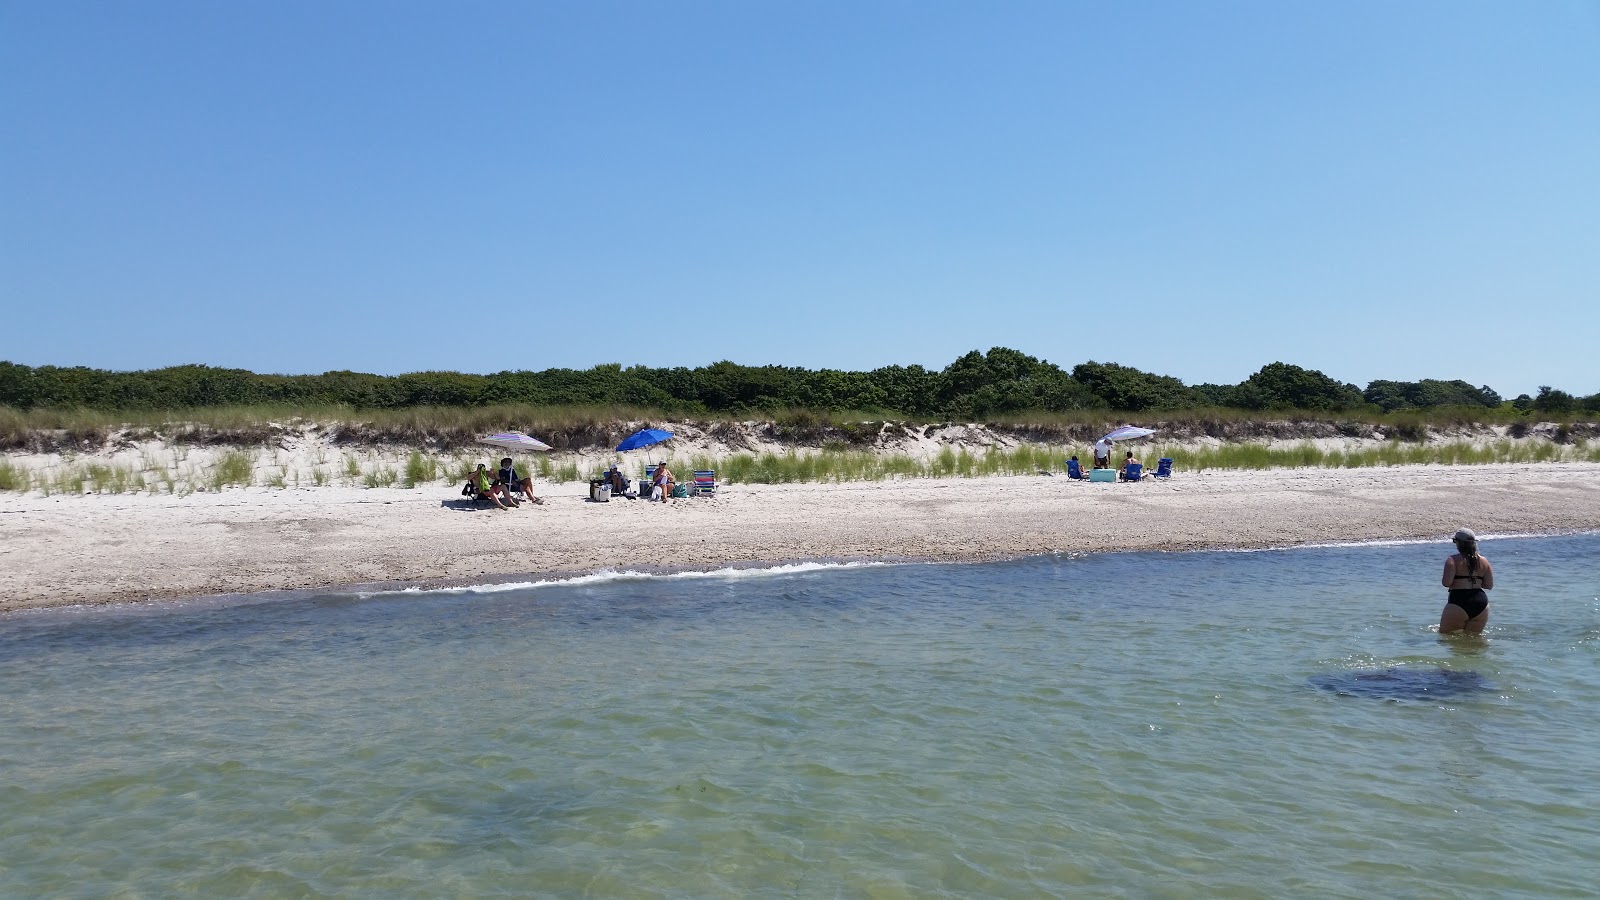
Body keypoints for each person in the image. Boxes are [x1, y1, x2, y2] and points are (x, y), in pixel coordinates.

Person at [1440, 527, 1494, 634]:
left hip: (1459, 601)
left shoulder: (1452, 560)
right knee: (1474, 640)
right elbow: (1489, 585)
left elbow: (1446, 583)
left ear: (1458, 543)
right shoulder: (1484, 561)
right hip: (1481, 603)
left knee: (1446, 637)